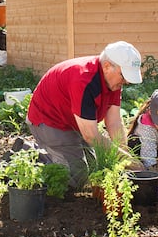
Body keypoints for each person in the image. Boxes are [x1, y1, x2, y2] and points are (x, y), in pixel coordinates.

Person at [26, 41, 143, 188]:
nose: (126, 81)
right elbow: (91, 136)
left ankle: (56, 155)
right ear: (107, 66)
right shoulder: (84, 79)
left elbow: (114, 123)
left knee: (96, 167)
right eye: (123, 75)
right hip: (49, 121)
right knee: (77, 177)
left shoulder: (113, 81)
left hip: (75, 122)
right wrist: (126, 159)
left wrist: (126, 158)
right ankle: (31, 154)